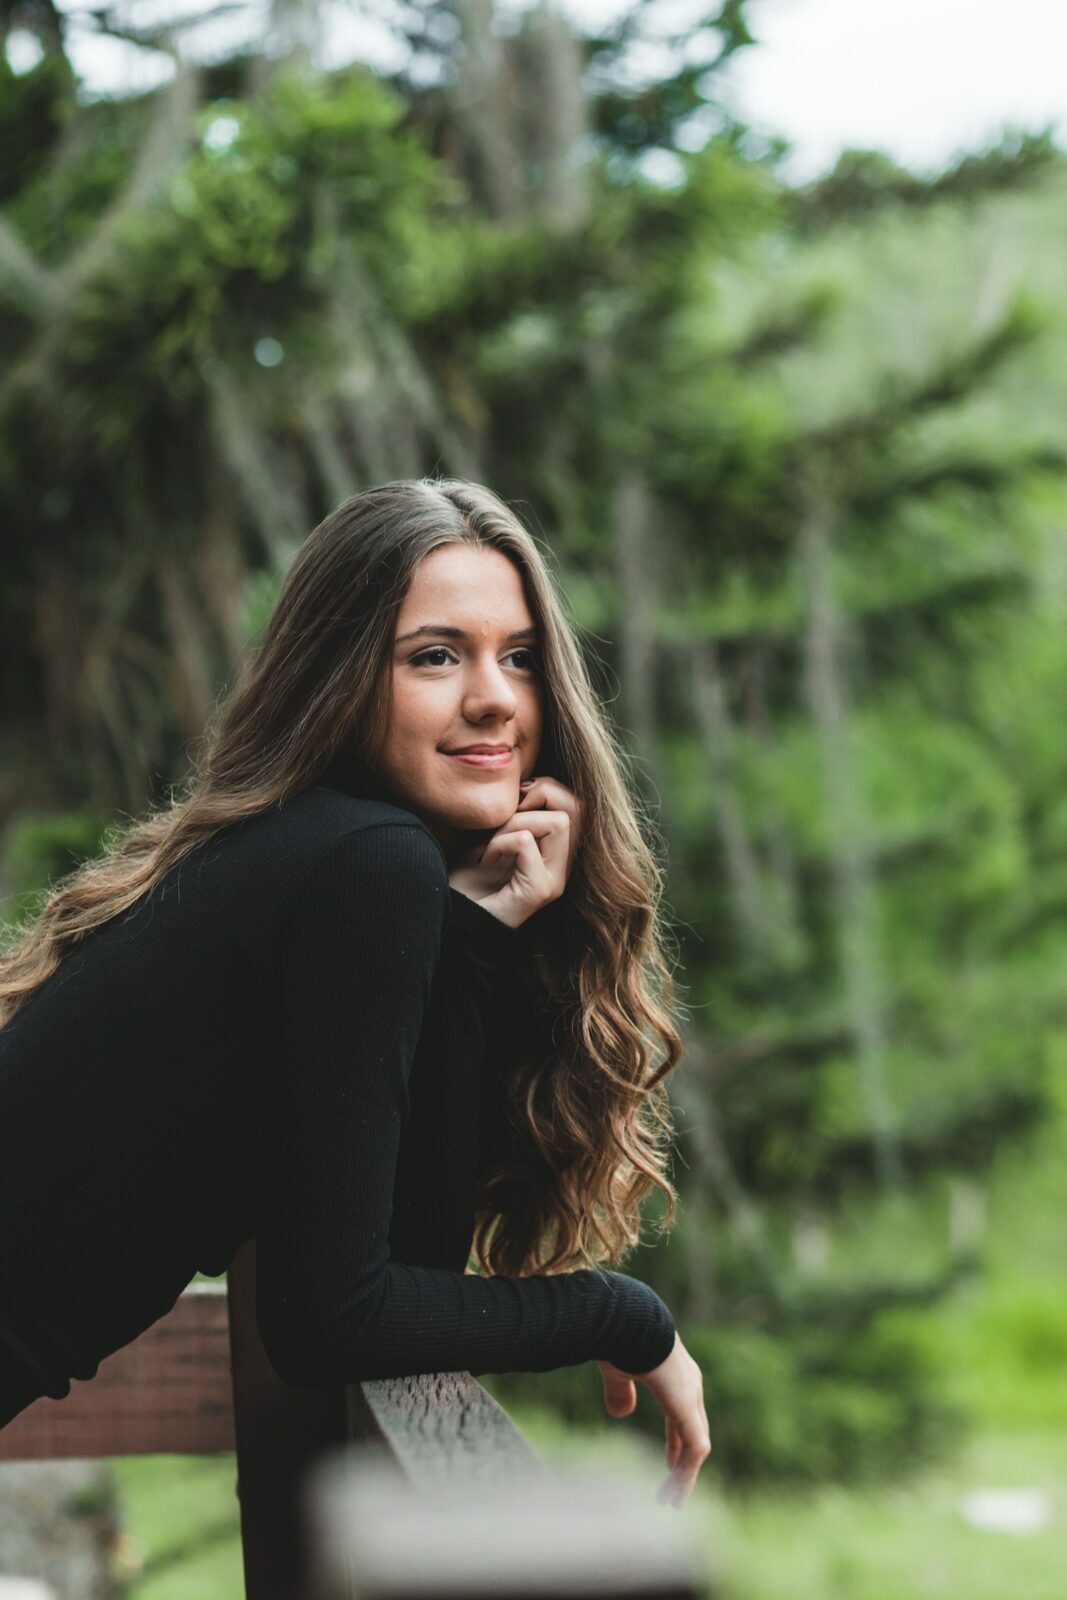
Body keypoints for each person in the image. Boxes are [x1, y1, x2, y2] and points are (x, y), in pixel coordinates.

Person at [0, 478, 710, 1508]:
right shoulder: (365, 863)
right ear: (339, 677)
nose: (494, 698)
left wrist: (472, 939)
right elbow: (334, 1321)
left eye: (519, 656)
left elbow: (398, 1262)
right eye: (434, 656)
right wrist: (622, 1315)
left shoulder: (323, 856)